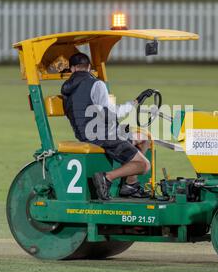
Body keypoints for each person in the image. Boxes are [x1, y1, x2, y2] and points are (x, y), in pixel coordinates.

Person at [61, 52, 154, 200]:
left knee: (143, 139)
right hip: (102, 135)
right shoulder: (96, 84)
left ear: (72, 69)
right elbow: (110, 114)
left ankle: (130, 185)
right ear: (89, 67)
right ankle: (107, 177)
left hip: (86, 133)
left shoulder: (66, 88)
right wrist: (133, 104)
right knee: (144, 165)